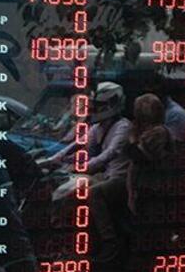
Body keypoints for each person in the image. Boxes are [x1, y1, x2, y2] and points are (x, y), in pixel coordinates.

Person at [90, 93, 174, 262]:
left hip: (149, 184)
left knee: (95, 193)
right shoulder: (142, 130)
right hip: (135, 182)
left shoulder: (158, 132)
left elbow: (138, 154)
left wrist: (132, 139)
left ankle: (110, 241)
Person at [45, 82, 132, 200]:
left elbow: (110, 153)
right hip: (102, 175)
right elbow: (81, 143)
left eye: (98, 105)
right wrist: (56, 158)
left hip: (117, 178)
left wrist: (83, 166)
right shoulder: (98, 126)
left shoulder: (123, 126)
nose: (93, 109)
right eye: (93, 104)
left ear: (111, 105)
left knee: (89, 194)